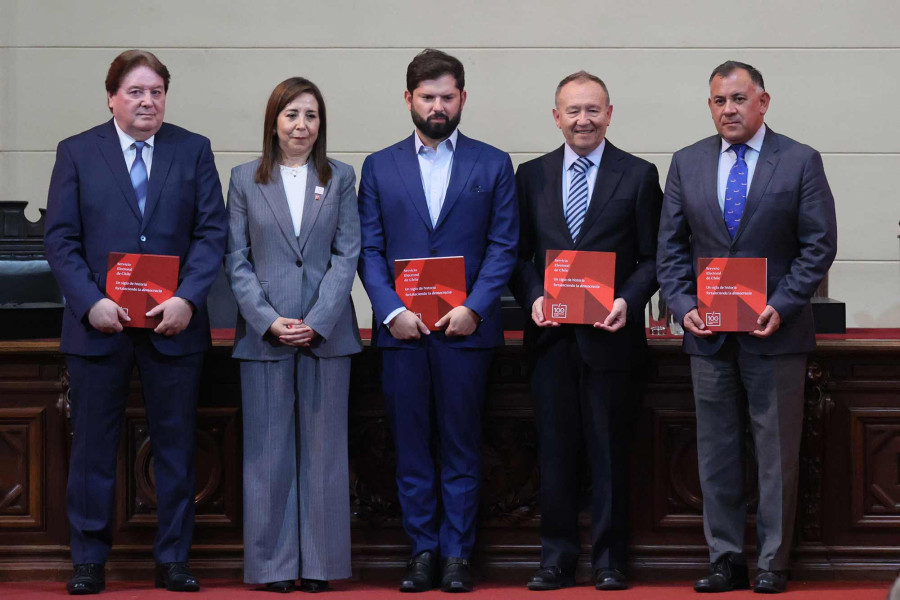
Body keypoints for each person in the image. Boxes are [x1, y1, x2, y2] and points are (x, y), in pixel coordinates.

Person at [44, 49, 227, 594]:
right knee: (93, 449)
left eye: (156, 92)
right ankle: (89, 561)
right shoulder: (77, 152)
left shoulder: (192, 150)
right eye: (135, 92)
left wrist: (189, 299)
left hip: (174, 327)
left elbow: (211, 233)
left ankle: (173, 559)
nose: (148, 101)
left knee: (176, 447)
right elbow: (60, 238)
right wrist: (89, 301)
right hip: (99, 326)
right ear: (111, 97)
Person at [656, 61, 837, 594]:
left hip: (774, 331)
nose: (728, 110)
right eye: (718, 101)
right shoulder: (687, 163)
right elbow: (669, 248)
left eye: (738, 99)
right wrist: (681, 302)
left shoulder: (800, 160)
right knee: (715, 452)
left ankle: (773, 563)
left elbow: (818, 244)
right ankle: (726, 559)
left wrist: (781, 303)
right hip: (708, 333)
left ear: (763, 101)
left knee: (776, 452)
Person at [357, 48, 518, 593]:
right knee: (410, 445)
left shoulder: (493, 163)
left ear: (463, 99)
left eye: (447, 97)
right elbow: (369, 250)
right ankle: (422, 550)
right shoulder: (378, 166)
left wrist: (474, 307)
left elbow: (503, 247)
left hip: (465, 332)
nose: (437, 106)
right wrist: (391, 310)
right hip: (401, 333)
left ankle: (456, 555)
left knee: (461, 444)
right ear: (408, 99)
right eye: (427, 97)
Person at [510, 71, 662, 591]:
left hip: (611, 339)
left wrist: (627, 300)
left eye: (593, 109)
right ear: (556, 117)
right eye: (572, 110)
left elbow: (652, 257)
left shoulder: (639, 176)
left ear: (610, 113)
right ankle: (557, 558)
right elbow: (518, 254)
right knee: (554, 453)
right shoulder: (530, 176)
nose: (583, 120)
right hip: (551, 341)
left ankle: (610, 560)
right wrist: (532, 298)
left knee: (610, 454)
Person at [224, 77, 361, 593]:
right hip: (264, 337)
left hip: (327, 336)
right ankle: (274, 567)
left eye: (310, 115)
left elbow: (348, 255)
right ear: (273, 122)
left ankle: (321, 566)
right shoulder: (243, 179)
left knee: (324, 455)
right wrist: (268, 319)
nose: (301, 125)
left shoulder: (341, 177)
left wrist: (318, 319)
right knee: (268, 457)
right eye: (291, 115)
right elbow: (236, 260)